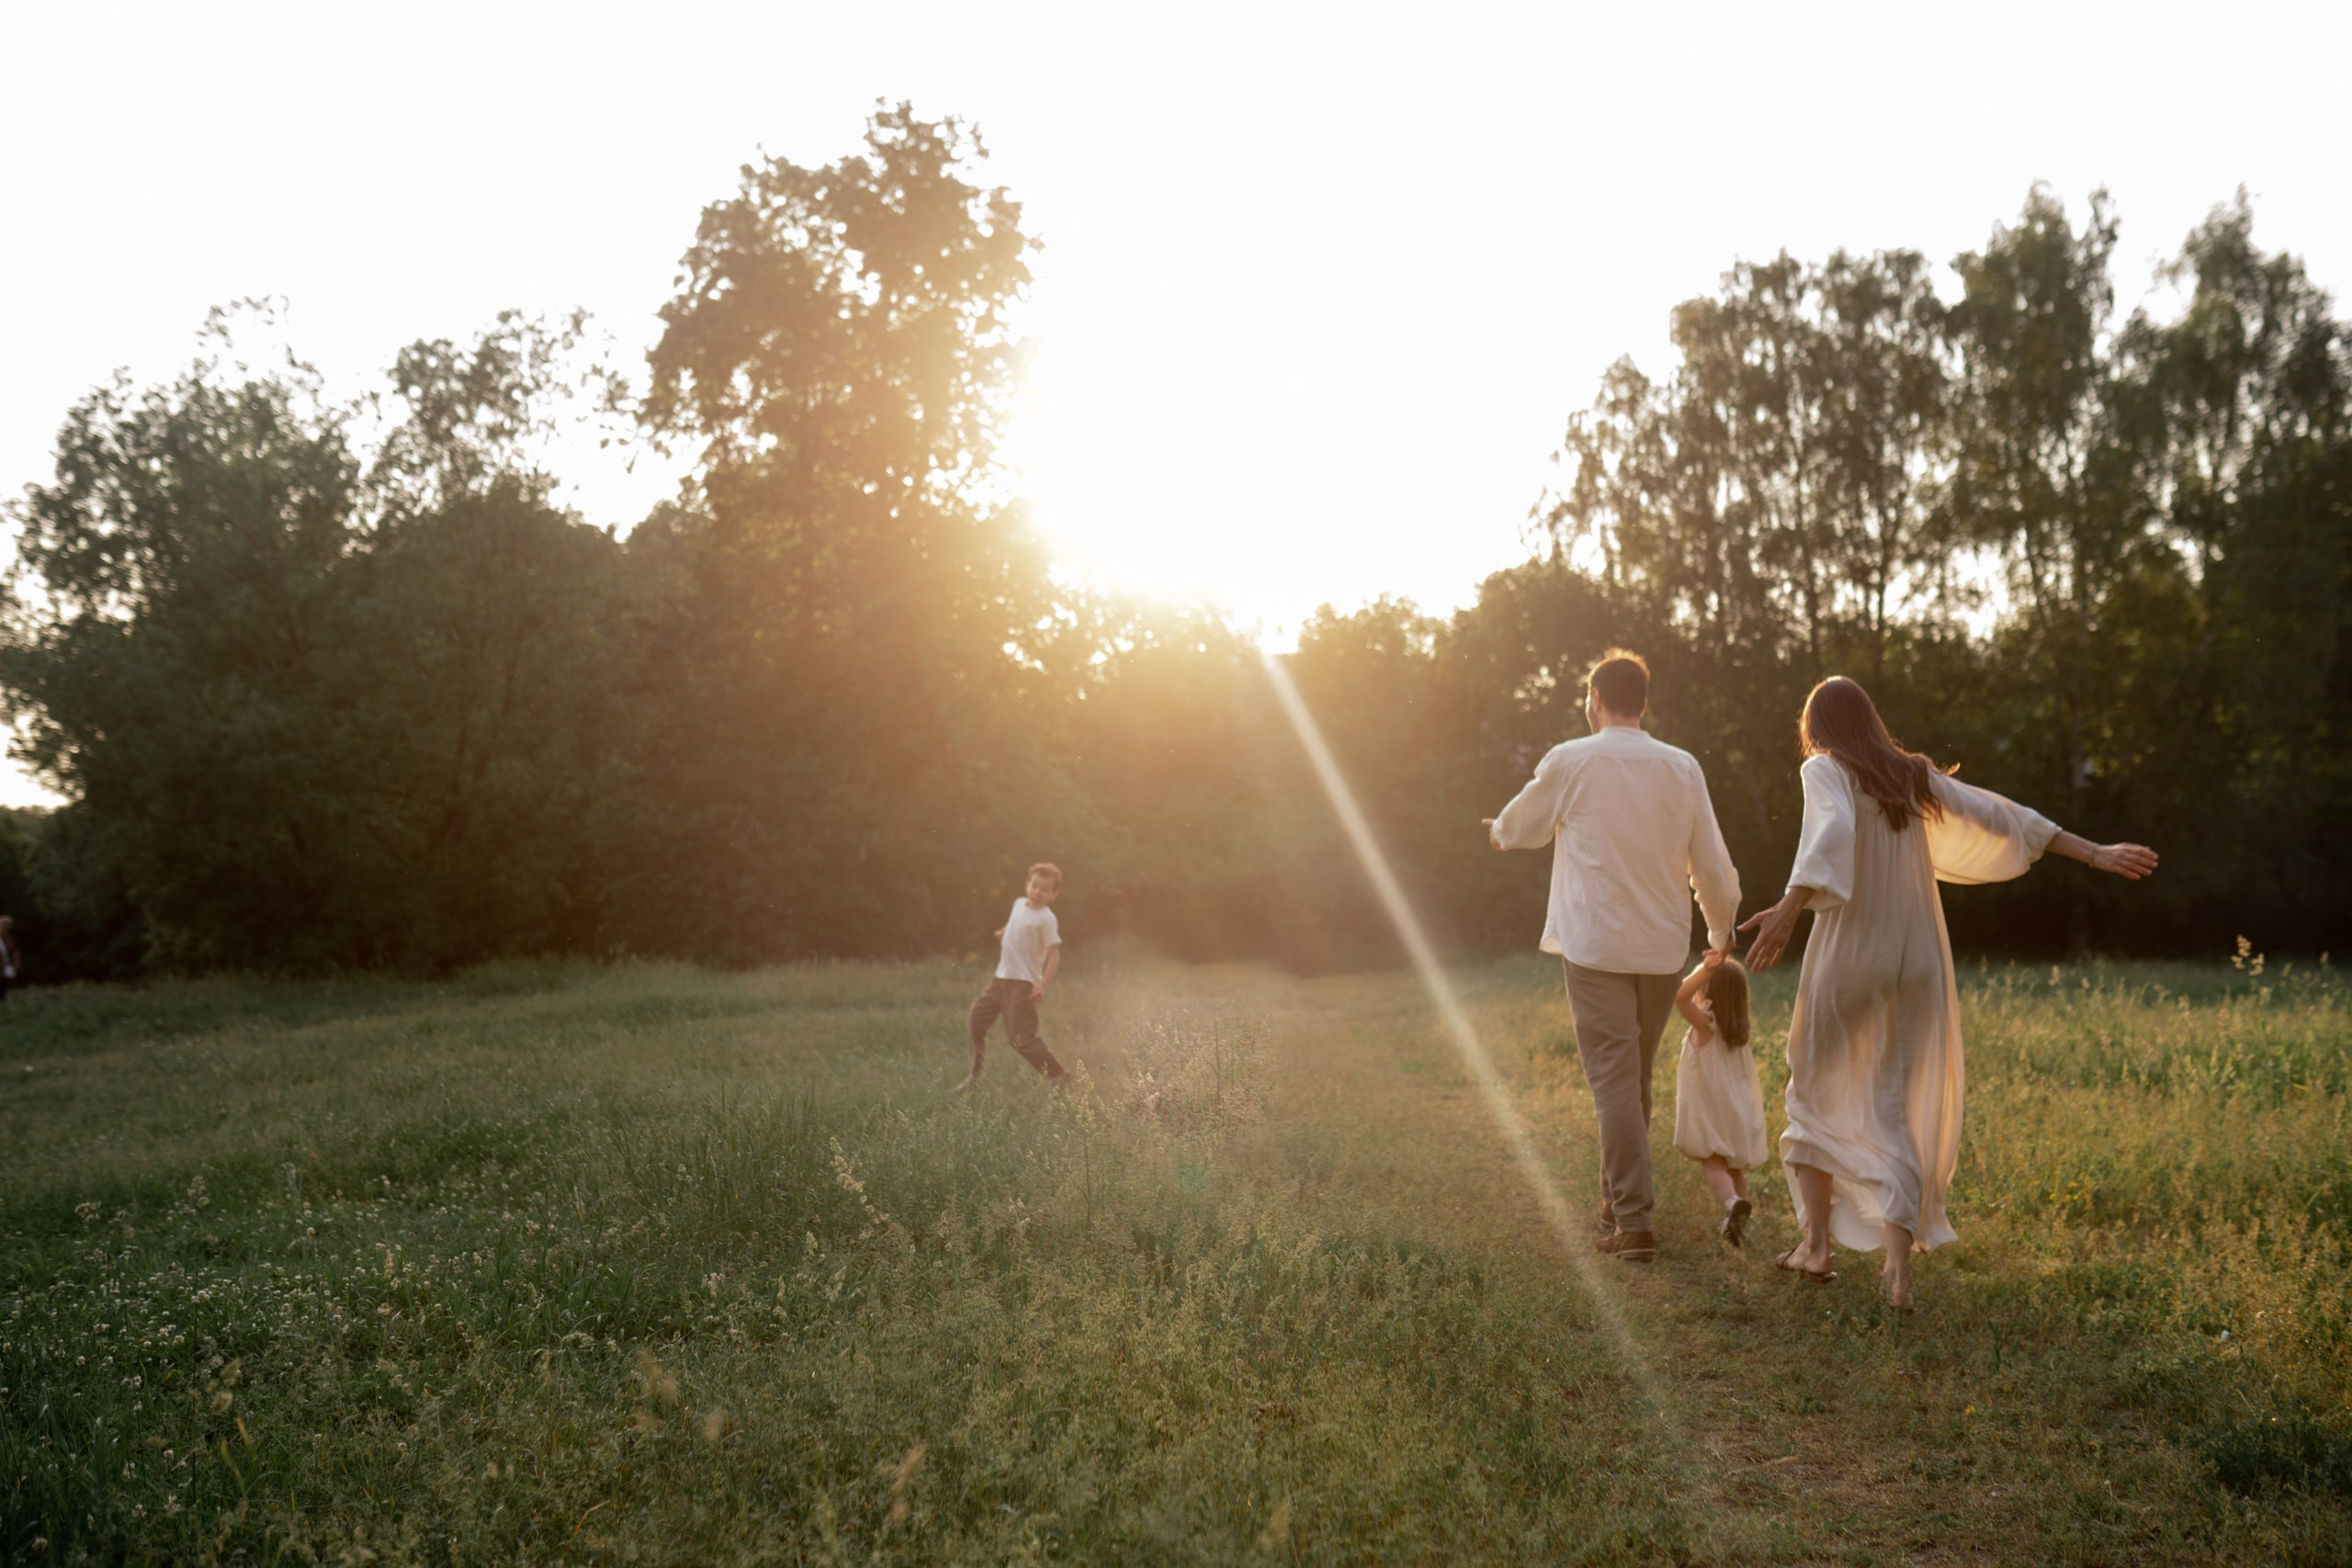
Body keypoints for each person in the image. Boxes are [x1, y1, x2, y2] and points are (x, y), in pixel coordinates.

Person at [1739, 677, 2157, 1308]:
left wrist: (1788, 908)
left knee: (1813, 1090)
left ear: (1817, 728)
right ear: (1870, 720)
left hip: (1851, 953)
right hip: (1916, 958)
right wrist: (2095, 852)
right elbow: (2001, 815)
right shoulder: (1913, 776)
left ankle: (1817, 1248)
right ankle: (1897, 1273)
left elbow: (1829, 833)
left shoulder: (1825, 768)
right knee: (1895, 1105)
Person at [1486, 650, 1742, 1262]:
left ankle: (1633, 1221)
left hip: (1597, 946)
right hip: (1661, 949)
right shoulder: (1682, 766)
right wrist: (1720, 930)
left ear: (1595, 699)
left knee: (1615, 1084)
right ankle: (1613, 1201)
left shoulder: (1572, 758)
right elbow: (1712, 863)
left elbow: (1522, 824)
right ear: (1644, 703)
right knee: (1631, 1080)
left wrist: (1496, 831)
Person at [1669, 951, 1769, 1247]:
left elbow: (1679, 996)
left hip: (1709, 1110)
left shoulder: (1706, 1025)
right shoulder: (1738, 1030)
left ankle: (1731, 1203)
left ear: (1708, 988)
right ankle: (1739, 1221)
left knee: (1713, 1163)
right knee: (1734, 1167)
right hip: (1737, 1110)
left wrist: (1705, 969)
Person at [956, 863, 1069, 1092]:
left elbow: (1054, 955)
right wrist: (1004, 931)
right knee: (976, 1021)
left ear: (1054, 894)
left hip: (1022, 985)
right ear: (1027, 885)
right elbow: (1016, 921)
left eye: (1044, 889)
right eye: (1034, 886)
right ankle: (974, 1077)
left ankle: (1058, 1074)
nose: (1037, 892)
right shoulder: (1018, 903)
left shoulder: (1046, 919)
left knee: (1020, 1038)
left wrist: (1042, 986)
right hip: (999, 980)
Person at [0, 916, 17, 1003]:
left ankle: (2, 1001)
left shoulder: (10, 939)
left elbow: (15, 952)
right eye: (3, 925)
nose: (5, 927)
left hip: (6, 965)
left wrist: (16, 964)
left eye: (7, 925)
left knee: (4, 984)